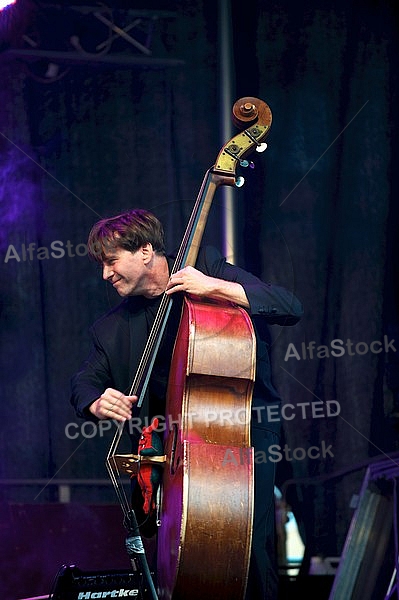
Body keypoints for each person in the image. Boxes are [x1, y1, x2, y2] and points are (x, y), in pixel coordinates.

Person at [70, 208, 303, 600]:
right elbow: (84, 381)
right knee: (169, 558)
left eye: (111, 262)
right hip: (174, 450)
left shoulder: (207, 266)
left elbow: (288, 306)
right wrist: (94, 400)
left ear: (145, 251)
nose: (105, 275)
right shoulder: (109, 328)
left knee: (249, 547)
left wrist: (214, 286)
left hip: (241, 431)